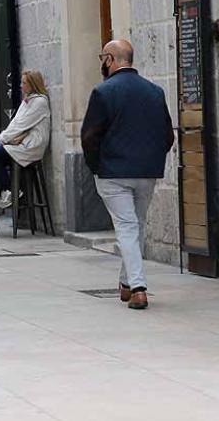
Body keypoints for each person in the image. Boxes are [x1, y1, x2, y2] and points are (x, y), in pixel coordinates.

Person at [81, 39, 174, 311]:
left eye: (103, 58)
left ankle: (138, 288)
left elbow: (89, 137)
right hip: (146, 171)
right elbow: (167, 135)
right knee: (136, 226)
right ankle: (126, 282)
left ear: (111, 59)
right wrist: (152, 159)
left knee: (127, 227)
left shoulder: (103, 92)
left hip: (113, 172)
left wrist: (96, 166)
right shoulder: (155, 92)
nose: (102, 63)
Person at [0, 70, 52, 210]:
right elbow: (15, 122)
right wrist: (2, 139)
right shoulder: (28, 101)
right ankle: (1, 193)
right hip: (22, 144)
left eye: (24, 83)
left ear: (33, 84)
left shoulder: (39, 102)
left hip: (31, 146)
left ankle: (11, 190)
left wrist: (1, 140)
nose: (21, 86)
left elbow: (21, 125)